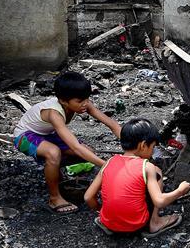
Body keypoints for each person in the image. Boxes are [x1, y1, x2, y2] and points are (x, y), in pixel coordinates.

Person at [13, 71, 121, 214]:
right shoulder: (54, 113)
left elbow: (112, 125)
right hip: (24, 137)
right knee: (54, 153)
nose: (85, 104)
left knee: (88, 152)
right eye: (80, 101)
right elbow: (75, 147)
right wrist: (107, 165)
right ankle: (54, 197)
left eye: (87, 99)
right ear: (63, 101)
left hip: (47, 135)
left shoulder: (82, 103)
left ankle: (54, 170)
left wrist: (131, 148)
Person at [84, 118, 190, 236]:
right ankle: (155, 222)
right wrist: (180, 190)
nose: (152, 152)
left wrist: (101, 211)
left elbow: (88, 197)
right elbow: (160, 201)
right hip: (136, 224)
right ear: (143, 145)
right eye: (153, 147)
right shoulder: (147, 167)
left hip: (108, 222)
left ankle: (107, 220)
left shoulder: (109, 162)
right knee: (157, 172)